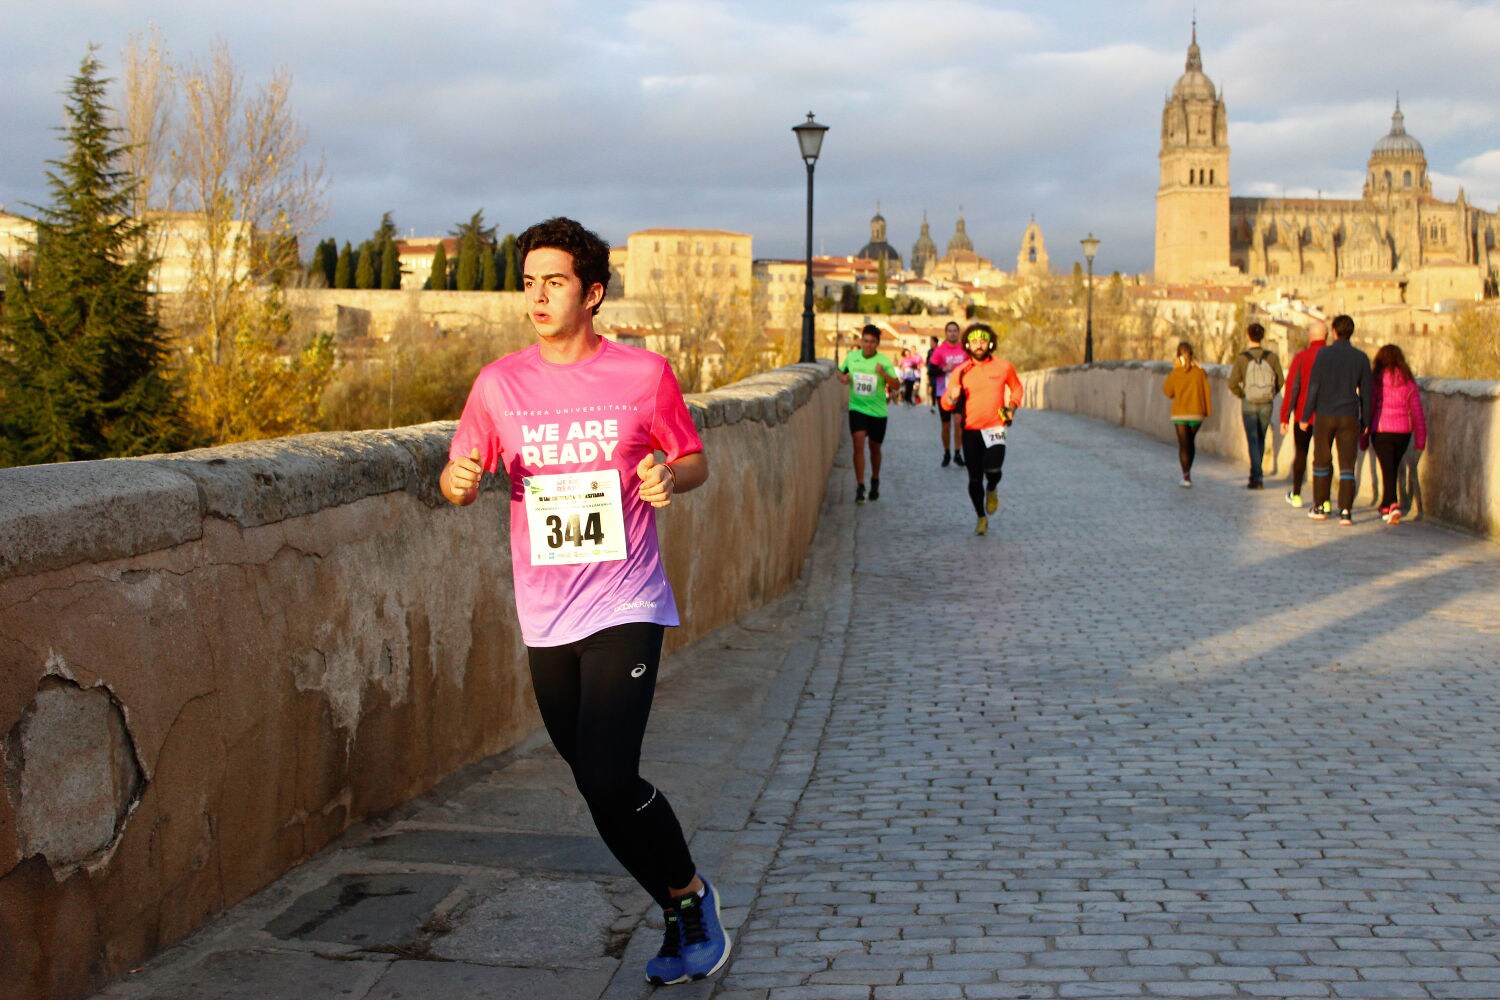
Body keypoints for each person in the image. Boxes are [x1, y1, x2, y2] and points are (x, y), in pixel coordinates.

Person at [439, 217, 729, 986]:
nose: (537, 295)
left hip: (626, 601)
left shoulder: (642, 375)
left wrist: (670, 477)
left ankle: (693, 899)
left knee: (606, 776)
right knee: (595, 784)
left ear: (592, 292)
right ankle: (678, 901)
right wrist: (459, 483)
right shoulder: (501, 383)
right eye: (528, 281)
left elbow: (693, 459)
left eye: (554, 281)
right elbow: (458, 469)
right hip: (545, 613)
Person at [941, 322, 1023, 535]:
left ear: (990, 343)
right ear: (968, 344)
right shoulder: (960, 372)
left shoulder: (1004, 366)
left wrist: (1012, 407)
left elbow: (1016, 388)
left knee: (993, 470)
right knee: (974, 478)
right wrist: (952, 396)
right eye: (975, 340)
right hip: (970, 430)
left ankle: (993, 488)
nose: (979, 344)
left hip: (995, 427)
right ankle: (980, 517)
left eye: (983, 340)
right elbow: (945, 404)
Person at [1299, 313, 1373, 525]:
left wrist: (1306, 416)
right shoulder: (1360, 358)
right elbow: (1367, 393)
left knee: (1322, 460)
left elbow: (1314, 386)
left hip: (1325, 414)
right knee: (1347, 464)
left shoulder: (1323, 355)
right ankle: (1346, 511)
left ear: (1334, 332)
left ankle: (1320, 505)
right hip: (1349, 415)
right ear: (1351, 332)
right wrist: (1365, 421)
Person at [1363, 343, 1427, 525]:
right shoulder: (1408, 381)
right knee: (1392, 466)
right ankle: (1386, 504)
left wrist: (1364, 436)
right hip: (1403, 432)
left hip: (1381, 430)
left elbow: (1369, 407)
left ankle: (1393, 505)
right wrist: (1420, 439)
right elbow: (1417, 412)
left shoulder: (1376, 380)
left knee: (1387, 467)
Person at [837, 323, 900, 503]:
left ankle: (875, 479)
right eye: (865, 341)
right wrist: (843, 378)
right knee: (858, 444)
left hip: (878, 412)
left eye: (872, 342)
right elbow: (839, 373)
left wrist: (883, 374)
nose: (868, 345)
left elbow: (896, 385)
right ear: (861, 341)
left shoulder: (884, 361)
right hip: (857, 408)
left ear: (877, 343)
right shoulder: (852, 357)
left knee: (875, 449)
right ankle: (860, 485)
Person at [1226, 322, 1284, 489]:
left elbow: (1232, 383)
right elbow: (1280, 380)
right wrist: (1271, 394)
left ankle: (1256, 477)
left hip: (1249, 403)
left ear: (1248, 335)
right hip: (1267, 403)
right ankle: (1256, 474)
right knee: (1261, 437)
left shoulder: (1242, 358)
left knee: (1252, 439)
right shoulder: (1272, 357)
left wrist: (1242, 394)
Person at [1278, 319, 1327, 507]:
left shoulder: (1302, 357)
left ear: (1309, 337)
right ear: (1327, 336)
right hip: (1327, 415)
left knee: (1301, 454)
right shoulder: (1332, 358)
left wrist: (1285, 416)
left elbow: (1292, 388)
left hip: (1302, 416)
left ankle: (1297, 494)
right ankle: (1325, 499)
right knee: (1324, 456)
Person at [1162, 341, 1211, 487]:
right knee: (1190, 442)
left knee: (1183, 444)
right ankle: (1188, 471)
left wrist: (1176, 368)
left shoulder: (1176, 372)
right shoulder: (1199, 372)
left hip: (1180, 414)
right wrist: (1198, 365)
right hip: (1197, 413)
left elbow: (1167, 391)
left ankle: (1186, 475)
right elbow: (1205, 382)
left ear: (1178, 355)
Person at [930, 321, 970, 466]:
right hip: (944, 392)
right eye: (950, 331)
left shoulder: (965, 350)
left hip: (960, 391)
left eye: (955, 331)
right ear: (946, 333)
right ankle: (947, 452)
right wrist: (943, 369)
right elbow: (931, 370)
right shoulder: (939, 351)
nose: (952, 333)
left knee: (959, 422)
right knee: (946, 425)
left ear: (958, 333)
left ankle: (958, 453)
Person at [924, 335, 941, 413]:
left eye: (931, 342)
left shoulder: (940, 350)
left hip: (939, 373)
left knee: (939, 389)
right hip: (931, 373)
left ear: (935, 342)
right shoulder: (929, 351)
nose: (930, 343)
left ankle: (940, 405)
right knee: (933, 388)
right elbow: (927, 362)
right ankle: (933, 405)